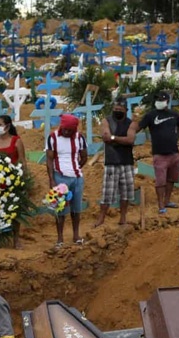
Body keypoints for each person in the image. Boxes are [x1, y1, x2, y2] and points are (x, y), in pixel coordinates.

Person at [129, 90, 179, 214]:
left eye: (161, 100)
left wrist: (176, 137)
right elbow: (138, 127)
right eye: (157, 100)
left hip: (174, 153)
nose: (159, 102)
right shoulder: (150, 115)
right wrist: (130, 131)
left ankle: (167, 201)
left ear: (167, 101)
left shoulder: (174, 114)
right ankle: (160, 205)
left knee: (171, 179)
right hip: (159, 154)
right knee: (160, 181)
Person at [46, 114, 87, 246]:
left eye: (70, 130)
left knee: (76, 208)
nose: (66, 132)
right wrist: (52, 179)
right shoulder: (52, 138)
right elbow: (49, 160)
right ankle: (60, 238)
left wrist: (76, 168)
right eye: (65, 129)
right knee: (60, 209)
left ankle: (76, 236)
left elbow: (84, 156)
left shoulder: (79, 138)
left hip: (77, 178)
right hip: (60, 177)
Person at [95, 98, 136, 227]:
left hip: (126, 161)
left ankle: (123, 217)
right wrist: (117, 139)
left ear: (125, 110)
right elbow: (106, 137)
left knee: (126, 192)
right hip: (111, 161)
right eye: (115, 109)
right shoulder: (106, 121)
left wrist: (113, 138)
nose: (117, 111)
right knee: (107, 192)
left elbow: (130, 140)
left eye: (120, 109)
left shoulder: (131, 123)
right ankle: (101, 218)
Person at [0, 114, 27, 248]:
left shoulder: (16, 141)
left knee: (14, 211)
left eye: (0, 124)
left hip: (13, 181)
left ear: (7, 126)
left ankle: (16, 239)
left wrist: (24, 181)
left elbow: (22, 161)